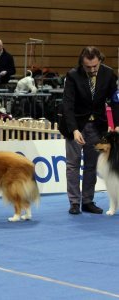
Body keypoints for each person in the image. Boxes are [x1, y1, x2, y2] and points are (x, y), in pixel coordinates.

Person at [61, 46, 119, 215]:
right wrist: (74, 130)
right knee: (73, 164)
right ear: (82, 63)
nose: (92, 70)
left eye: (95, 66)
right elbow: (67, 105)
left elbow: (115, 101)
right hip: (76, 125)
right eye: (88, 67)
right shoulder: (72, 76)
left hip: (97, 126)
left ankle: (87, 201)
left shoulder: (109, 74)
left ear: (100, 61)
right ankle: (74, 202)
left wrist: (116, 124)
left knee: (91, 165)